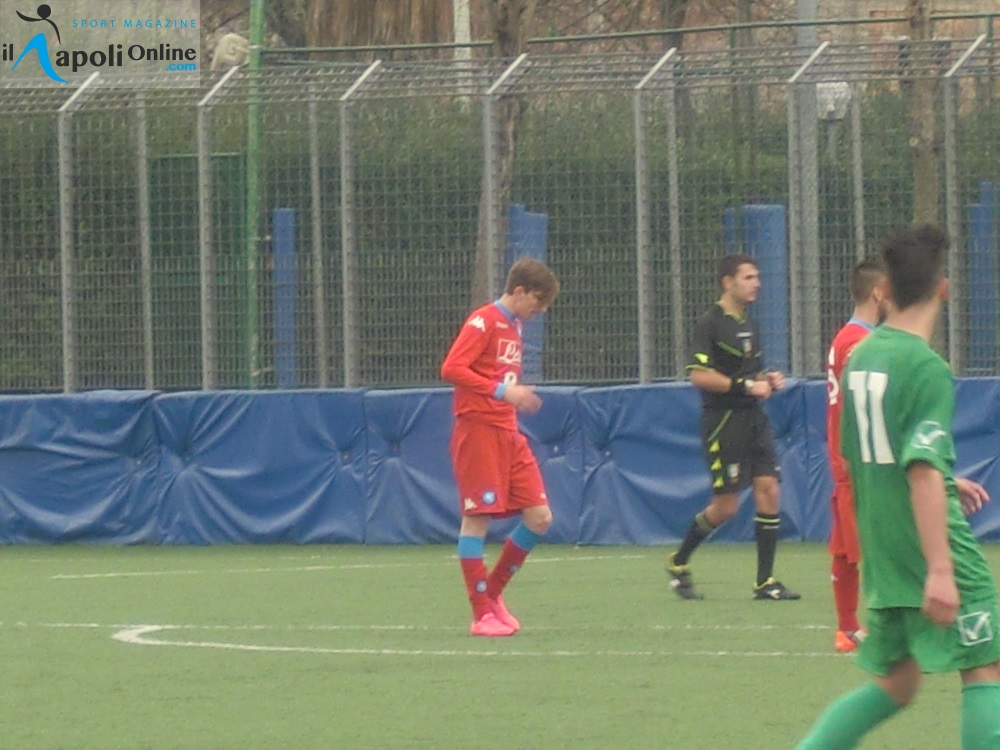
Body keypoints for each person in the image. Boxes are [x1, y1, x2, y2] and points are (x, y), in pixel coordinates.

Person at [795, 224, 1000, 750]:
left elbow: (866, 451)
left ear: (884, 290)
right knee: (985, 665)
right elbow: (921, 471)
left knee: (898, 681)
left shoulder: (863, 355)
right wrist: (941, 570)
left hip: (883, 551)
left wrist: (941, 476)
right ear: (944, 289)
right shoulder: (925, 366)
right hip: (925, 546)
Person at [667, 253, 800, 601]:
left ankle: (765, 581)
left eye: (757, 277)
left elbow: (750, 375)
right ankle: (679, 561)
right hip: (723, 423)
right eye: (748, 277)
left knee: (769, 488)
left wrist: (767, 379)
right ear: (728, 282)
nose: (757, 284)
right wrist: (745, 386)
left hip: (754, 419)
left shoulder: (750, 323)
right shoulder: (710, 323)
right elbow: (699, 375)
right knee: (726, 507)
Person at [440, 257, 560, 637]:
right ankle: (481, 616)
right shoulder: (483, 320)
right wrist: (502, 392)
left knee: (540, 517)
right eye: (538, 301)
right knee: (477, 518)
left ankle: (492, 595)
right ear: (519, 291)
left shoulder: (515, 326)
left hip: (508, 431)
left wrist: (514, 396)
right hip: (478, 429)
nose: (541, 310)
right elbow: (452, 368)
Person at [825, 259, 889, 652]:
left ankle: (847, 628)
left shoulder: (847, 337)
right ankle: (881, 626)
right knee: (877, 544)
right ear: (878, 293)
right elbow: (856, 404)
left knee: (845, 547)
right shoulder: (858, 343)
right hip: (859, 459)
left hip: (846, 457)